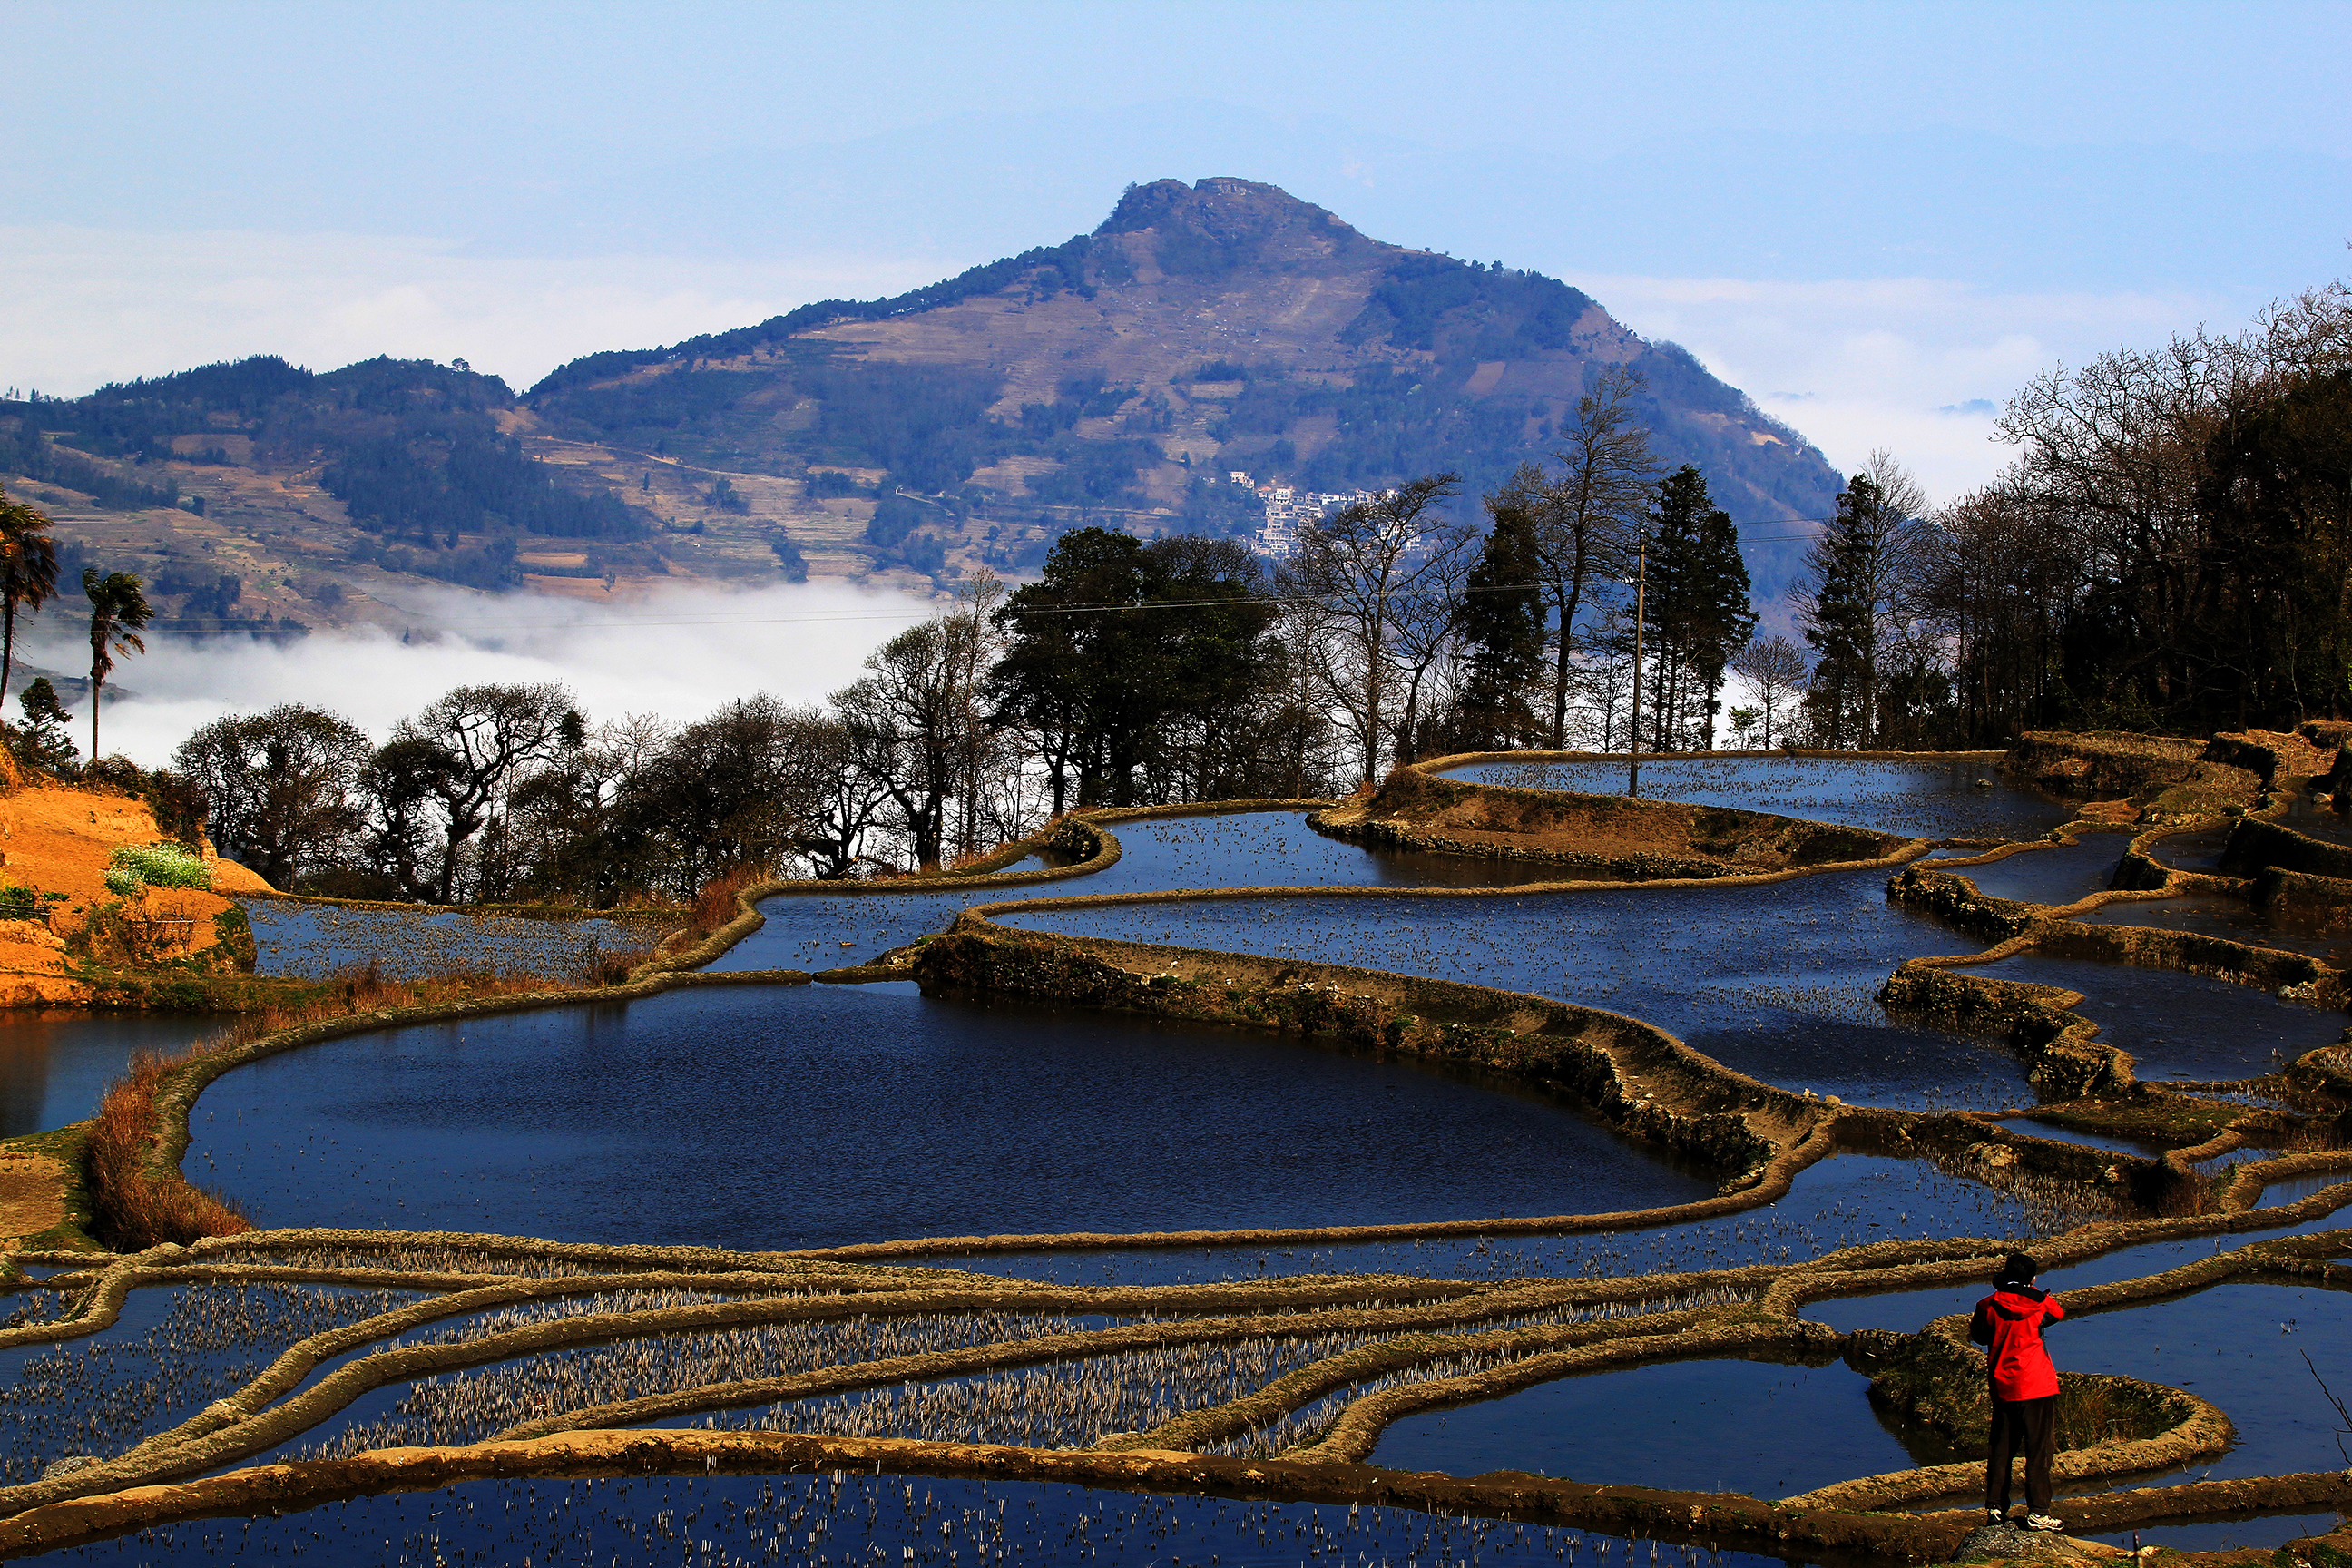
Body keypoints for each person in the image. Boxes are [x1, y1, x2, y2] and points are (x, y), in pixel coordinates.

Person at [1970, 1250, 2067, 1532]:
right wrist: (2038, 1294)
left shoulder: (1988, 1305)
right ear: (2033, 1280)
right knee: (2038, 1450)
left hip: (2003, 1385)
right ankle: (2038, 1511)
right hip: (2036, 1385)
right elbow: (2058, 1313)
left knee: (2001, 1448)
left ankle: (1996, 1508)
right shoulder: (2040, 1306)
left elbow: (1979, 1336)